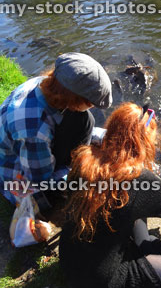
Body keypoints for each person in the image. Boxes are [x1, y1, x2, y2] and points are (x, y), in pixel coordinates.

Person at [59, 103, 161, 288]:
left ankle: (145, 247)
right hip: (100, 280)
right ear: (144, 141)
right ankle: (146, 249)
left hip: (69, 260)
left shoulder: (85, 158)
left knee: (135, 207)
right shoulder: (139, 179)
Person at [0, 52, 112, 207]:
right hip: (19, 177)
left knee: (85, 120)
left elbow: (81, 125)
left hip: (30, 152)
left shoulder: (45, 84)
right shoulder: (35, 131)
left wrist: (106, 136)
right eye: (91, 103)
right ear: (75, 100)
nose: (93, 107)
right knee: (87, 186)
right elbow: (40, 180)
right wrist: (81, 170)